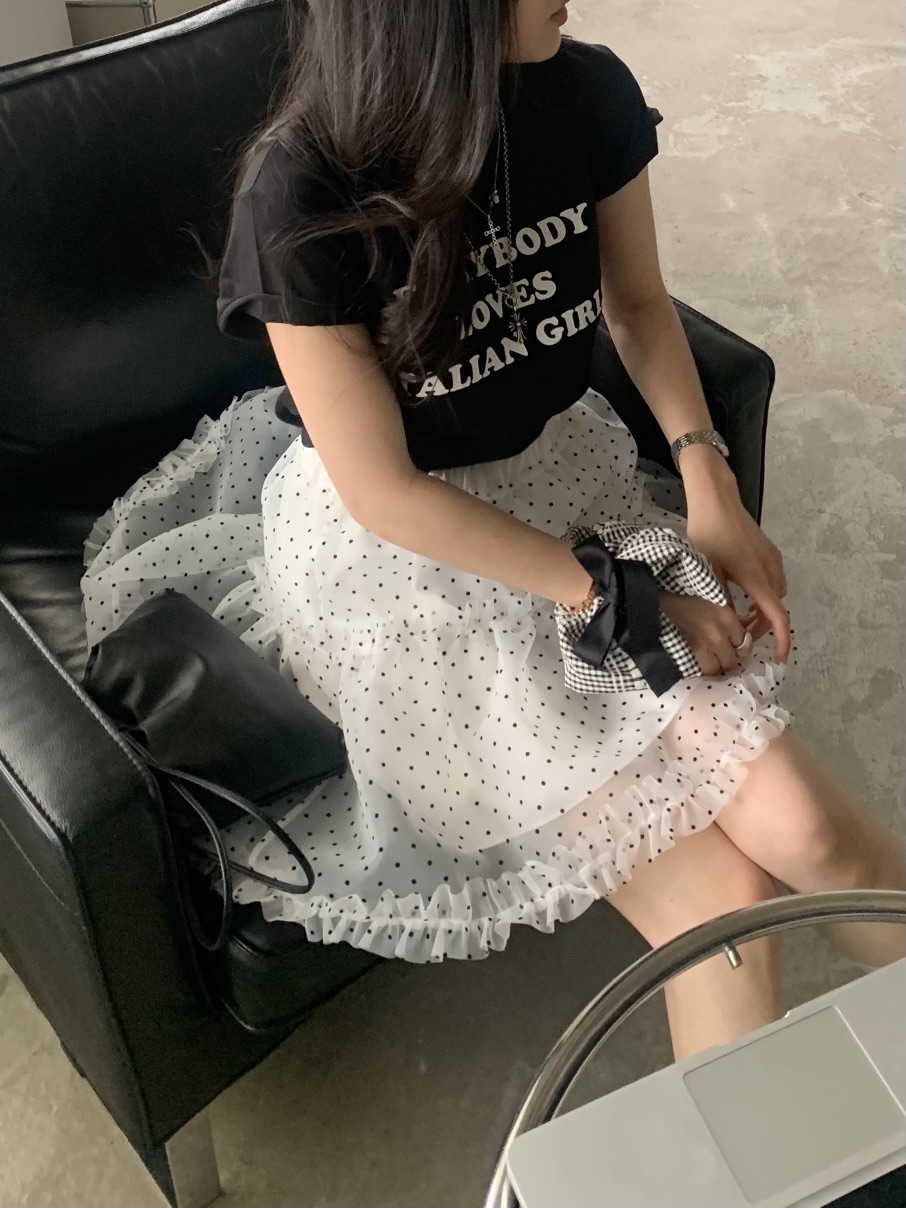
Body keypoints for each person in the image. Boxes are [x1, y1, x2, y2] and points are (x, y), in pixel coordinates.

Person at [82, 0, 904, 1061]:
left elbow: (638, 306)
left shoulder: (585, 91)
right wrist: (628, 601)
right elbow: (384, 491)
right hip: (406, 569)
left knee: (815, 830)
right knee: (723, 905)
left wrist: (709, 479)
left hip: (560, 482)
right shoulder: (300, 193)